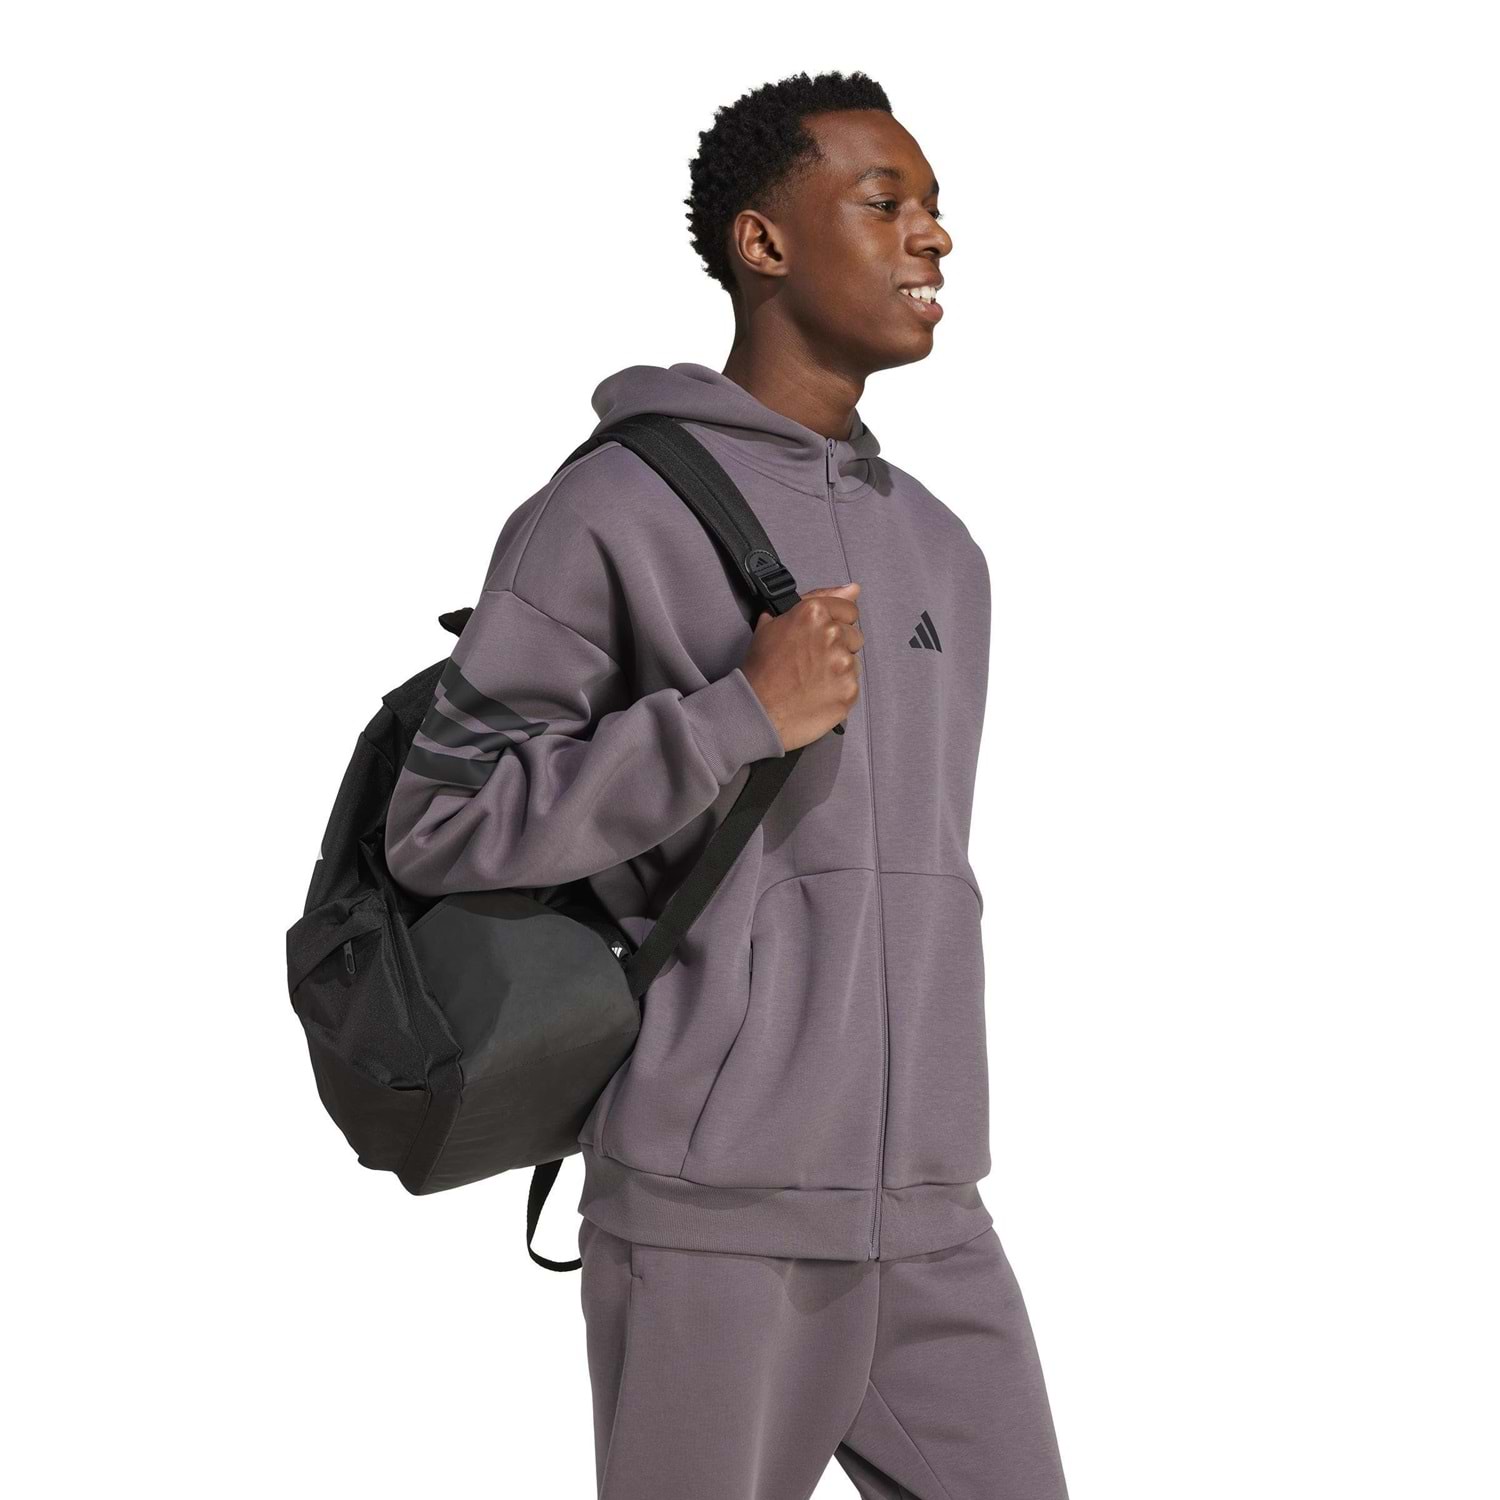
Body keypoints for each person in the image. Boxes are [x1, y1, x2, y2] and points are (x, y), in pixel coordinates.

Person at [385, 68, 1069, 1500]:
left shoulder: (945, 550)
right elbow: (442, 821)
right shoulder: (611, 508)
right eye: (885, 202)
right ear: (764, 243)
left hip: (930, 1212)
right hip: (715, 1215)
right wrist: (736, 717)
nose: (934, 235)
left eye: (937, 206)